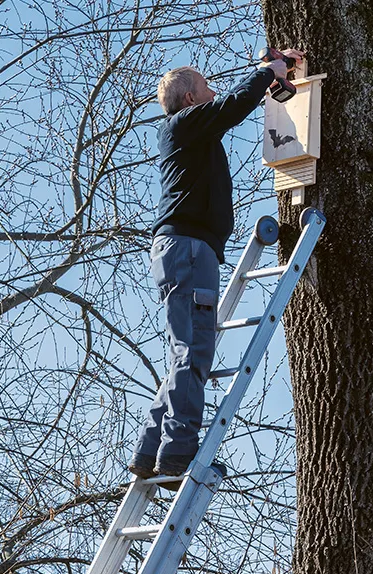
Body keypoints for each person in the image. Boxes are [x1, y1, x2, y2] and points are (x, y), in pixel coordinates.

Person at [129, 50, 302, 482]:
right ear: (190, 98)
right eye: (206, 88)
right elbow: (231, 107)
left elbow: (227, 107)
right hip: (188, 249)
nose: (213, 93)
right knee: (195, 353)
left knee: (182, 354)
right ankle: (176, 455)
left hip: (181, 249)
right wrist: (267, 73)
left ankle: (150, 452)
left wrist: (273, 72)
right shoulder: (186, 125)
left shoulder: (187, 132)